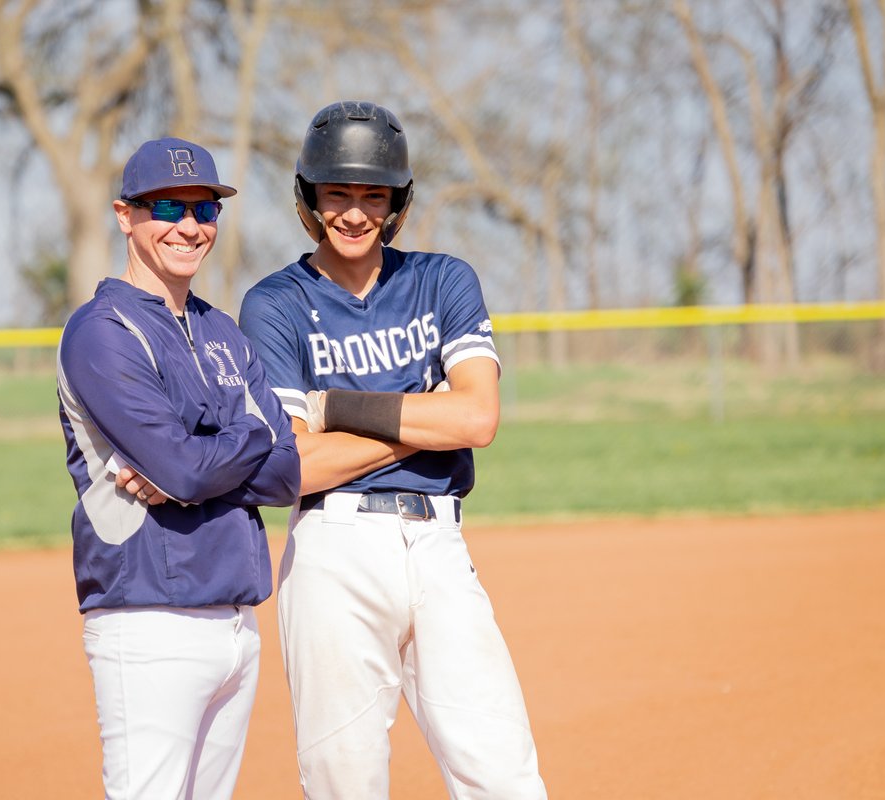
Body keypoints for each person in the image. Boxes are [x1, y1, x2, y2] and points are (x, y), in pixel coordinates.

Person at [239, 101, 547, 799]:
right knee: (343, 780)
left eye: (372, 194)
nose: (353, 212)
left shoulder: (443, 281)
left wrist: (337, 409)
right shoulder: (274, 304)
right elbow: (296, 465)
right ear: (309, 200)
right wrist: (420, 416)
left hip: (439, 548)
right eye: (337, 194)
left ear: (397, 202)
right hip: (331, 550)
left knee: (502, 771)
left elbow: (477, 418)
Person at [57, 136, 300, 800]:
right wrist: (246, 437)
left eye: (205, 210)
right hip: (148, 621)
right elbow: (189, 470)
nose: (189, 226)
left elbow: (284, 474)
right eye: (168, 206)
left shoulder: (223, 330)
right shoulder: (103, 331)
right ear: (124, 214)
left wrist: (211, 447)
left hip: (235, 624)